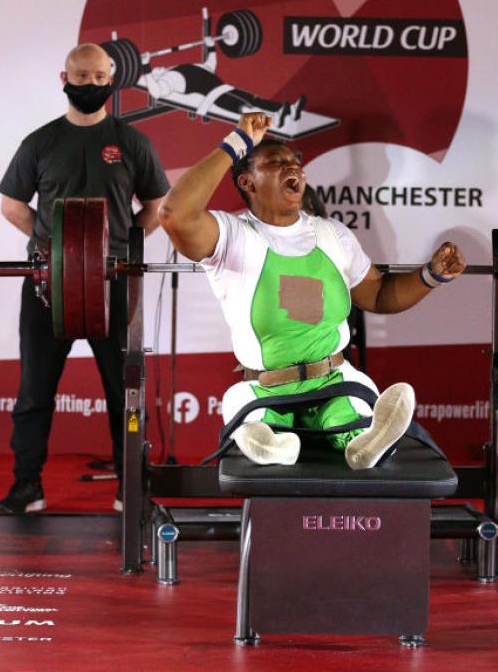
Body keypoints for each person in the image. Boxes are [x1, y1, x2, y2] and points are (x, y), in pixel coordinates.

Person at [157, 114, 465, 467]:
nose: (293, 167)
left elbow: (378, 294)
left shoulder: (333, 234)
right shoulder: (232, 235)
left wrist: (430, 275)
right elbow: (174, 214)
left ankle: (367, 441)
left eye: (294, 162)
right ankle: (271, 445)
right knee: (249, 414)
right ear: (247, 182)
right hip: (267, 389)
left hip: (332, 381)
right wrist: (237, 142)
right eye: (275, 162)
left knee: (355, 418)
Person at [0, 44, 169, 513]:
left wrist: (123, 244)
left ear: (111, 82)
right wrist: (58, 244)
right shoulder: (40, 142)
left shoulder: (132, 143)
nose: (89, 84)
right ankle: (26, 487)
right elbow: (11, 206)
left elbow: (156, 206)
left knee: (124, 391)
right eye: (81, 76)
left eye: (98, 77)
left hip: (112, 284)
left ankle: (129, 487)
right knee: (35, 391)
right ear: (63, 78)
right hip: (48, 285)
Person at [142, 37, 306, 130]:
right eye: (155, 70)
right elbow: (156, 92)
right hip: (213, 97)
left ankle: (290, 110)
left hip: (224, 87)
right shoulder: (169, 79)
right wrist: (146, 66)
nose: (158, 68)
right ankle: (275, 120)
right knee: (245, 108)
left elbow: (210, 66)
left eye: (156, 67)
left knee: (255, 99)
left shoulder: (186, 67)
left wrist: (211, 47)